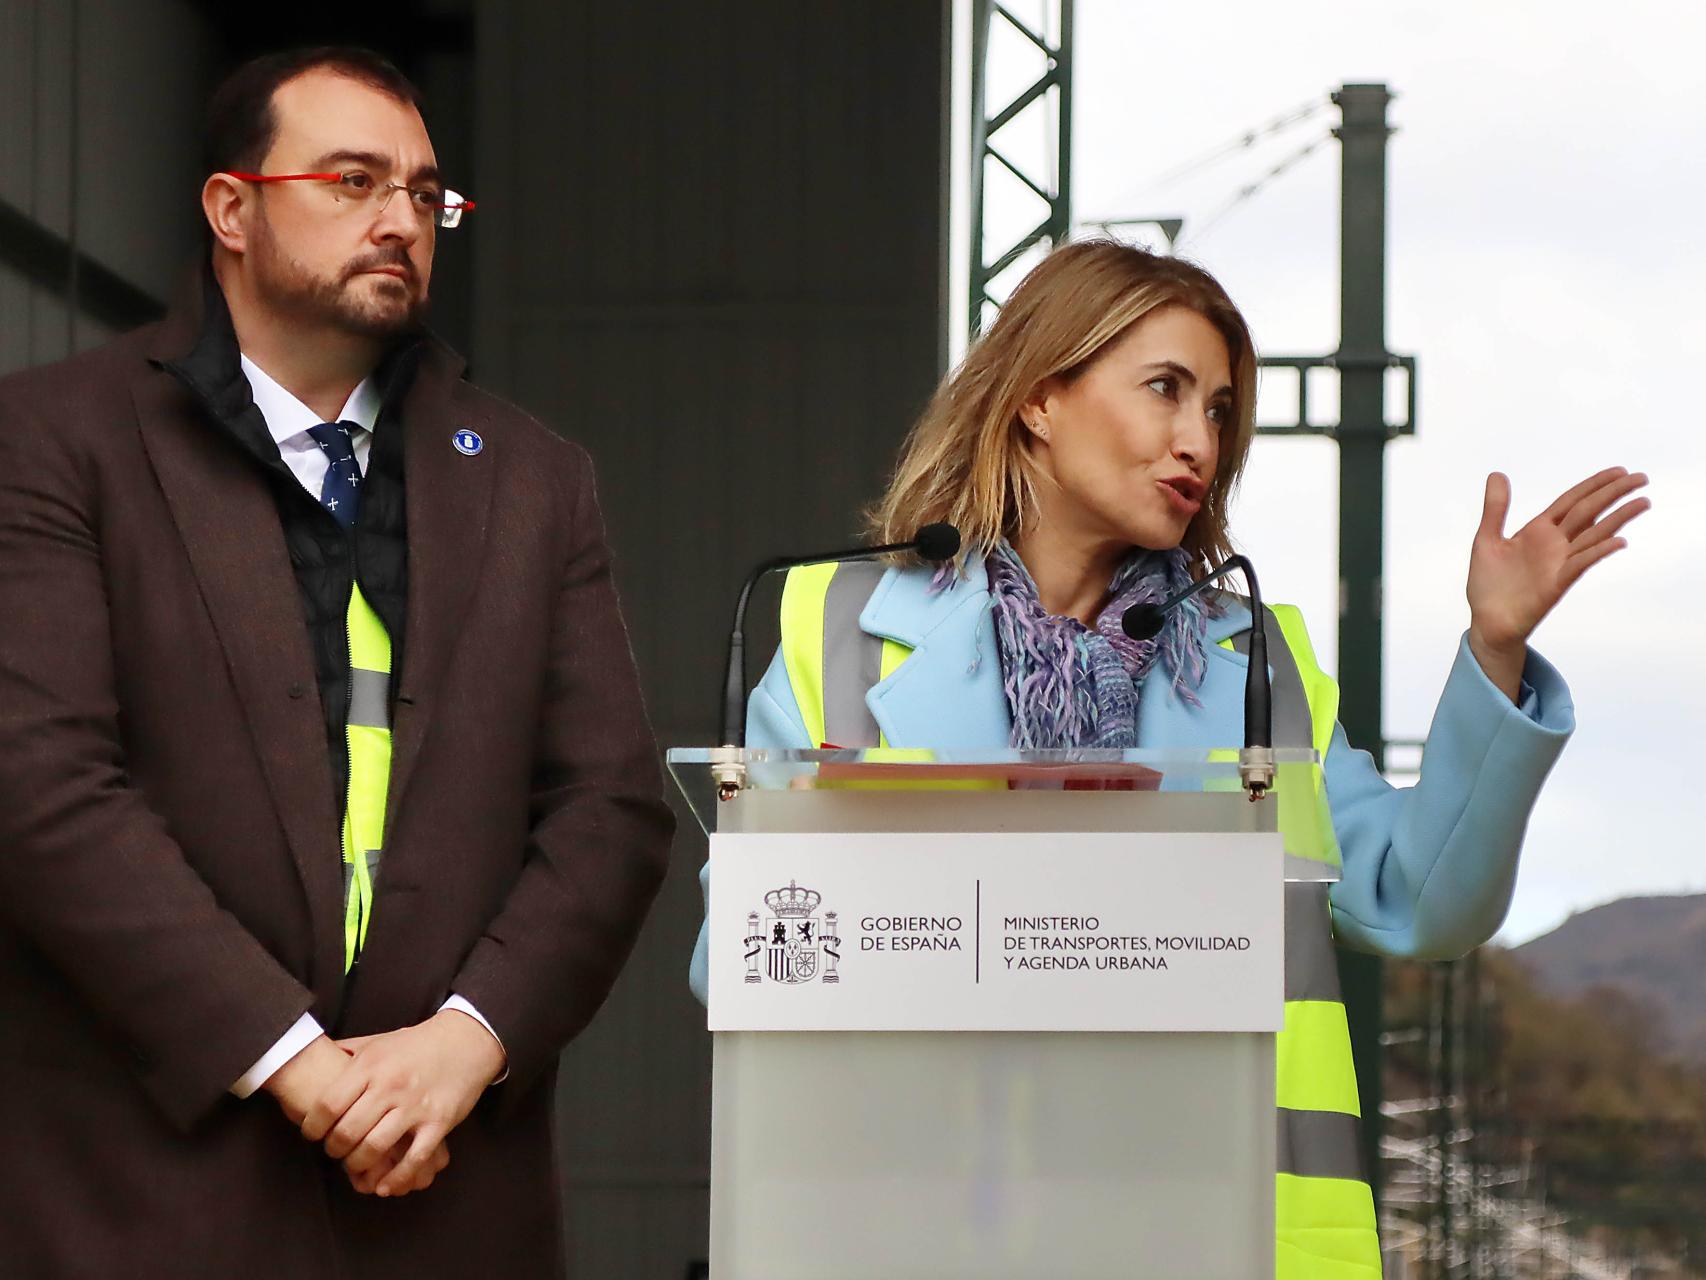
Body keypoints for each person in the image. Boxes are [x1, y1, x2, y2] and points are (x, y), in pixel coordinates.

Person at [688, 240, 1648, 1276]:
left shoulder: (1254, 664)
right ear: (1037, 398)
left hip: (1221, 1238)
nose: (1199, 437)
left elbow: (1417, 898)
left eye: (1219, 409)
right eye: (1164, 389)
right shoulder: (829, 629)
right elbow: (734, 964)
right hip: (919, 1232)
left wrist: (1493, 648)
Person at [0, 47, 673, 1277]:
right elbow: (38, 786)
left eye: (425, 195)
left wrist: (468, 1041)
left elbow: (612, 807)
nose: (400, 219)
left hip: (448, 1190)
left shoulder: (532, 478)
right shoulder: (54, 440)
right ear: (232, 207)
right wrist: (292, 1058)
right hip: (147, 1195)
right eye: (355, 179)